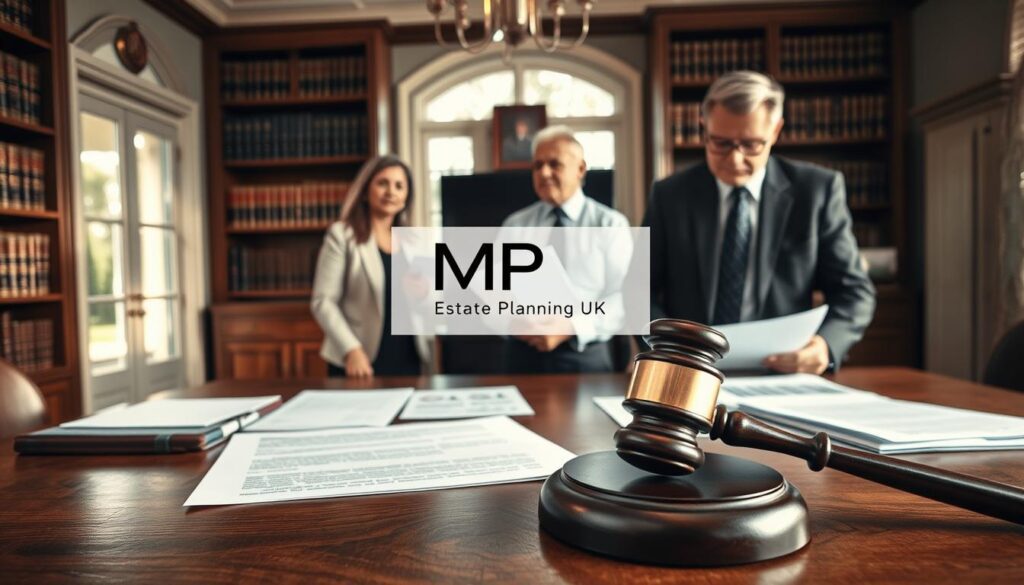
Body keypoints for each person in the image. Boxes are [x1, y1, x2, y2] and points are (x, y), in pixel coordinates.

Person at [645, 71, 875, 374]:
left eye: (751, 144)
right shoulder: (669, 195)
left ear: (775, 131)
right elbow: (638, 292)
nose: (735, 159)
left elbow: (854, 292)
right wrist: (666, 349)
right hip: (688, 368)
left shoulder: (817, 191)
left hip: (782, 370)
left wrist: (825, 346)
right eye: (720, 143)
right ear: (703, 128)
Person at [501, 125, 631, 373]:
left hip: (585, 357)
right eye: (537, 165)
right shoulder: (515, 226)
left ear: (580, 169)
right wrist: (511, 321)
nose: (544, 173)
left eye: (554, 164)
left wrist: (571, 326)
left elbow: (623, 298)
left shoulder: (610, 225)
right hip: (521, 356)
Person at [311, 155, 434, 377]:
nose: (391, 192)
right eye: (382, 183)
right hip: (358, 361)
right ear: (366, 191)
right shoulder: (342, 236)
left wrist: (424, 293)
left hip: (408, 358)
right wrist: (351, 350)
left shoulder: (415, 242)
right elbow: (323, 301)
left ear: (406, 197)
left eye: (399, 186)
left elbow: (432, 303)